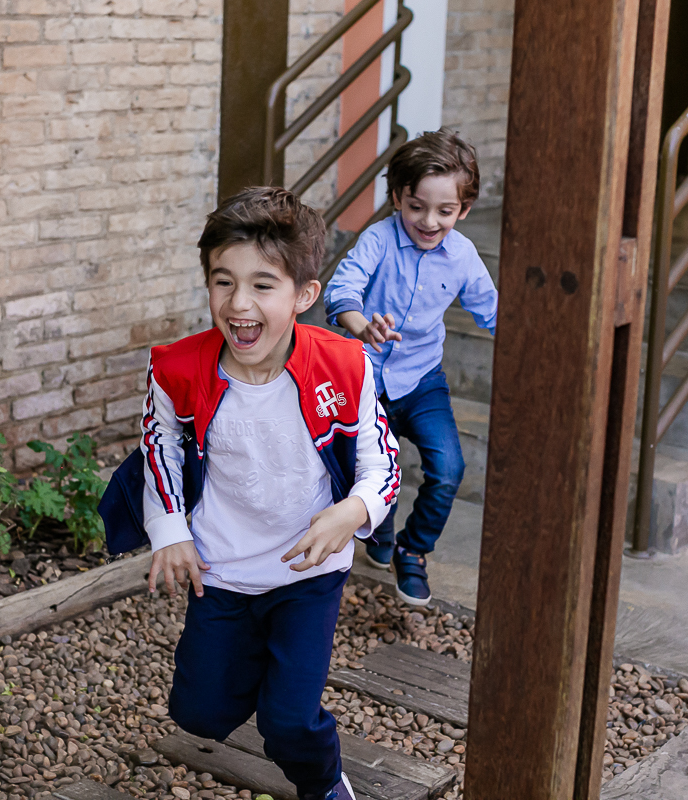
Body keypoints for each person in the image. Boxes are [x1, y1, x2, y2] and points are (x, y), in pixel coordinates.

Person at [125, 187, 401, 800]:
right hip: (222, 570)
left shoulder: (347, 365)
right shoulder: (177, 367)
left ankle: (326, 782)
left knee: (288, 722)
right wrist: (169, 530)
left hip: (310, 571)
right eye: (223, 282)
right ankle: (259, 668)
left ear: (305, 294)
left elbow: (382, 462)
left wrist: (353, 511)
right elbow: (159, 442)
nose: (239, 303)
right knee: (199, 715)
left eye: (263, 285)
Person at [323, 129, 498, 607]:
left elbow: (493, 311)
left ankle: (413, 549)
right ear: (398, 197)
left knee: (448, 468)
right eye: (417, 206)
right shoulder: (378, 239)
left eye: (445, 211)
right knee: (383, 466)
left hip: (423, 382)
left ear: (463, 210)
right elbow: (341, 291)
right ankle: (379, 530)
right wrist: (361, 325)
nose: (428, 220)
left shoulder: (462, 255)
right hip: (367, 381)